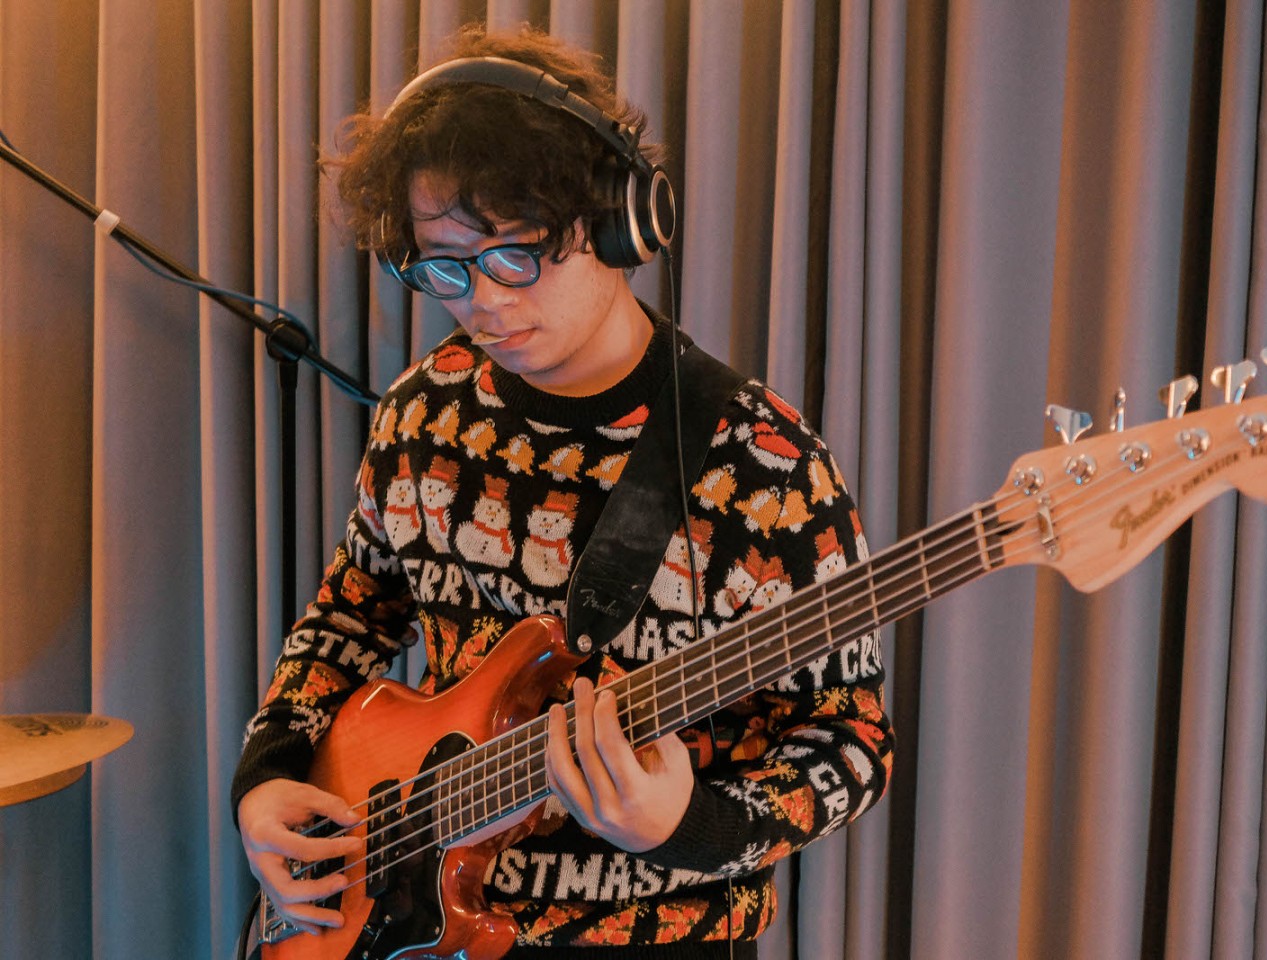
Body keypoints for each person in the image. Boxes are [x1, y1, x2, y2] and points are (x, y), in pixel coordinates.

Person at [232, 23, 893, 958]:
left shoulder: (763, 464)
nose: (485, 301)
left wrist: (687, 825)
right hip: (414, 931)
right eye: (445, 266)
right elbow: (349, 616)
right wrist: (266, 777)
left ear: (615, 222)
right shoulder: (425, 412)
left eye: (516, 254)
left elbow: (851, 740)